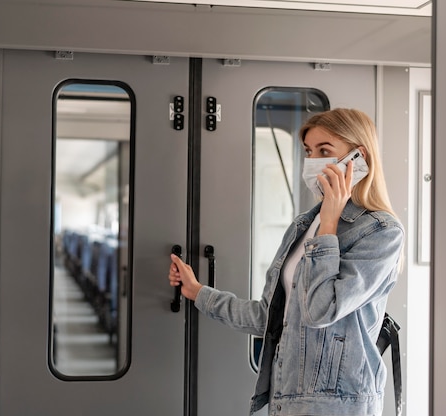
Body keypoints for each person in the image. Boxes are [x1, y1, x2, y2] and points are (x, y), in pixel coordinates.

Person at [168, 108, 405, 416]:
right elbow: (270, 318)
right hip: (286, 400)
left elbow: (322, 311)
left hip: (337, 406)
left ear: (358, 158)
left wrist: (330, 225)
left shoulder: (381, 232)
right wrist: (199, 292)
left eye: (325, 151)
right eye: (309, 151)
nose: (313, 161)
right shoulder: (304, 225)